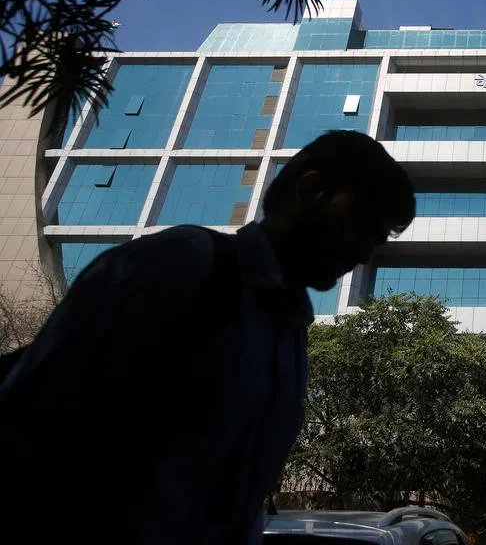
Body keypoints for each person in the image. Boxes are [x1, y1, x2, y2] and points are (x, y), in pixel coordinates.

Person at [0, 130, 415, 544]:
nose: (365, 254)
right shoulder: (184, 265)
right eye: (362, 226)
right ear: (310, 192)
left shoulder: (290, 337)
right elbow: (29, 427)